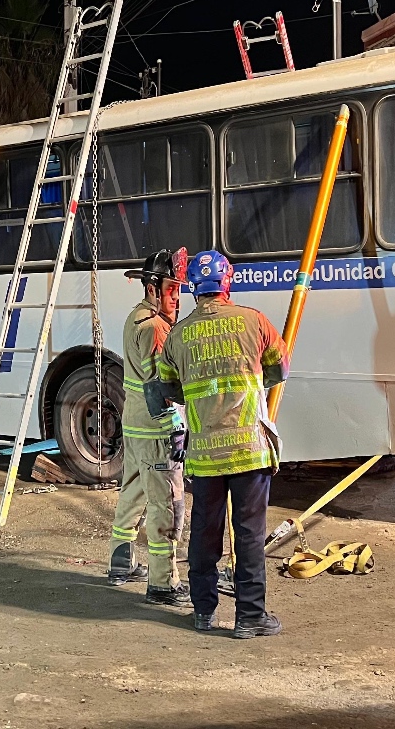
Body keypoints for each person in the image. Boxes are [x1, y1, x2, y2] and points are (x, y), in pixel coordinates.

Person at [147, 250, 290, 639]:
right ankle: (249, 617)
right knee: (249, 533)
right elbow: (280, 367)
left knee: (205, 533)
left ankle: (202, 611)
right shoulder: (254, 321)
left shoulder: (177, 335)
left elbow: (167, 385)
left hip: (205, 455)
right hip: (249, 451)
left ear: (194, 287)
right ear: (227, 283)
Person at [107, 249, 192, 608]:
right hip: (157, 431)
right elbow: (160, 385)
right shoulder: (156, 328)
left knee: (133, 492)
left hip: (135, 426)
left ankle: (121, 562)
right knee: (166, 507)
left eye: (179, 290)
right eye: (172, 289)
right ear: (153, 287)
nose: (177, 297)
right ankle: (162, 584)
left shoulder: (135, 319)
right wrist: (176, 425)